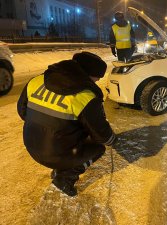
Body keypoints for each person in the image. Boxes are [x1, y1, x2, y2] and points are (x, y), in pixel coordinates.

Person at [17, 52, 116, 197]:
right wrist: (113, 140)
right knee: (98, 148)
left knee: (66, 131)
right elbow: (101, 134)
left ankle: (60, 162)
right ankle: (65, 178)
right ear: (89, 75)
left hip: (31, 146)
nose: (97, 81)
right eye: (97, 78)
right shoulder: (85, 97)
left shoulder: (36, 81)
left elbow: (22, 111)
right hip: (55, 155)